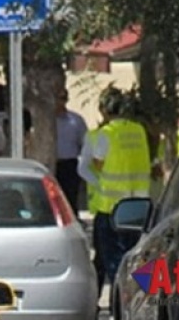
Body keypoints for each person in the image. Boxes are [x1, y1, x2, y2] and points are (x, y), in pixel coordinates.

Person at [91, 86, 151, 298]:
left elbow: (97, 163)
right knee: (137, 257)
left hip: (111, 209)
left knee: (113, 261)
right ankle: (144, 297)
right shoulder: (138, 130)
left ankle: (122, 300)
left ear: (105, 110)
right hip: (138, 209)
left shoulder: (106, 133)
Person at [77, 115, 108, 313]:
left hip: (112, 206)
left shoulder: (137, 133)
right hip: (107, 206)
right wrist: (102, 186)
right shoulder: (98, 136)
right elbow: (84, 168)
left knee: (106, 258)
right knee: (104, 258)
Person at [54, 88, 87, 218]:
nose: (60, 102)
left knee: (70, 197)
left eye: (63, 98)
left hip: (69, 164)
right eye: (57, 98)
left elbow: (84, 142)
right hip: (51, 163)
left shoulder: (76, 120)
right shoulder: (46, 120)